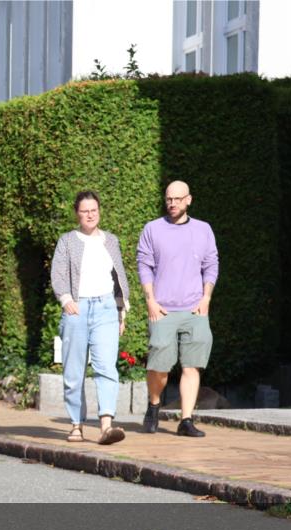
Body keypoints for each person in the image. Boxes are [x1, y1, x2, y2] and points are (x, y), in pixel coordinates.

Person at [136, 181, 219, 437]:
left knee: (191, 366)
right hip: (162, 309)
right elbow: (144, 264)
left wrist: (206, 297)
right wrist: (150, 299)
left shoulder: (203, 230)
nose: (172, 203)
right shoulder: (152, 229)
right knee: (159, 366)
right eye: (169, 199)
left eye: (177, 199)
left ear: (189, 200)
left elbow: (211, 264)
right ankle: (154, 404)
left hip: (195, 309)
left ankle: (186, 420)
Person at [51, 191, 131, 445]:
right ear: (77, 213)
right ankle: (76, 424)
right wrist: (66, 300)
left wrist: (121, 310)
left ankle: (106, 426)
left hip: (106, 308)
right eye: (84, 211)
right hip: (77, 307)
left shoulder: (111, 240)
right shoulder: (67, 241)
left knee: (106, 367)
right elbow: (59, 274)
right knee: (74, 371)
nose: (89, 215)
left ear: (99, 210)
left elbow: (119, 276)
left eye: (93, 209)